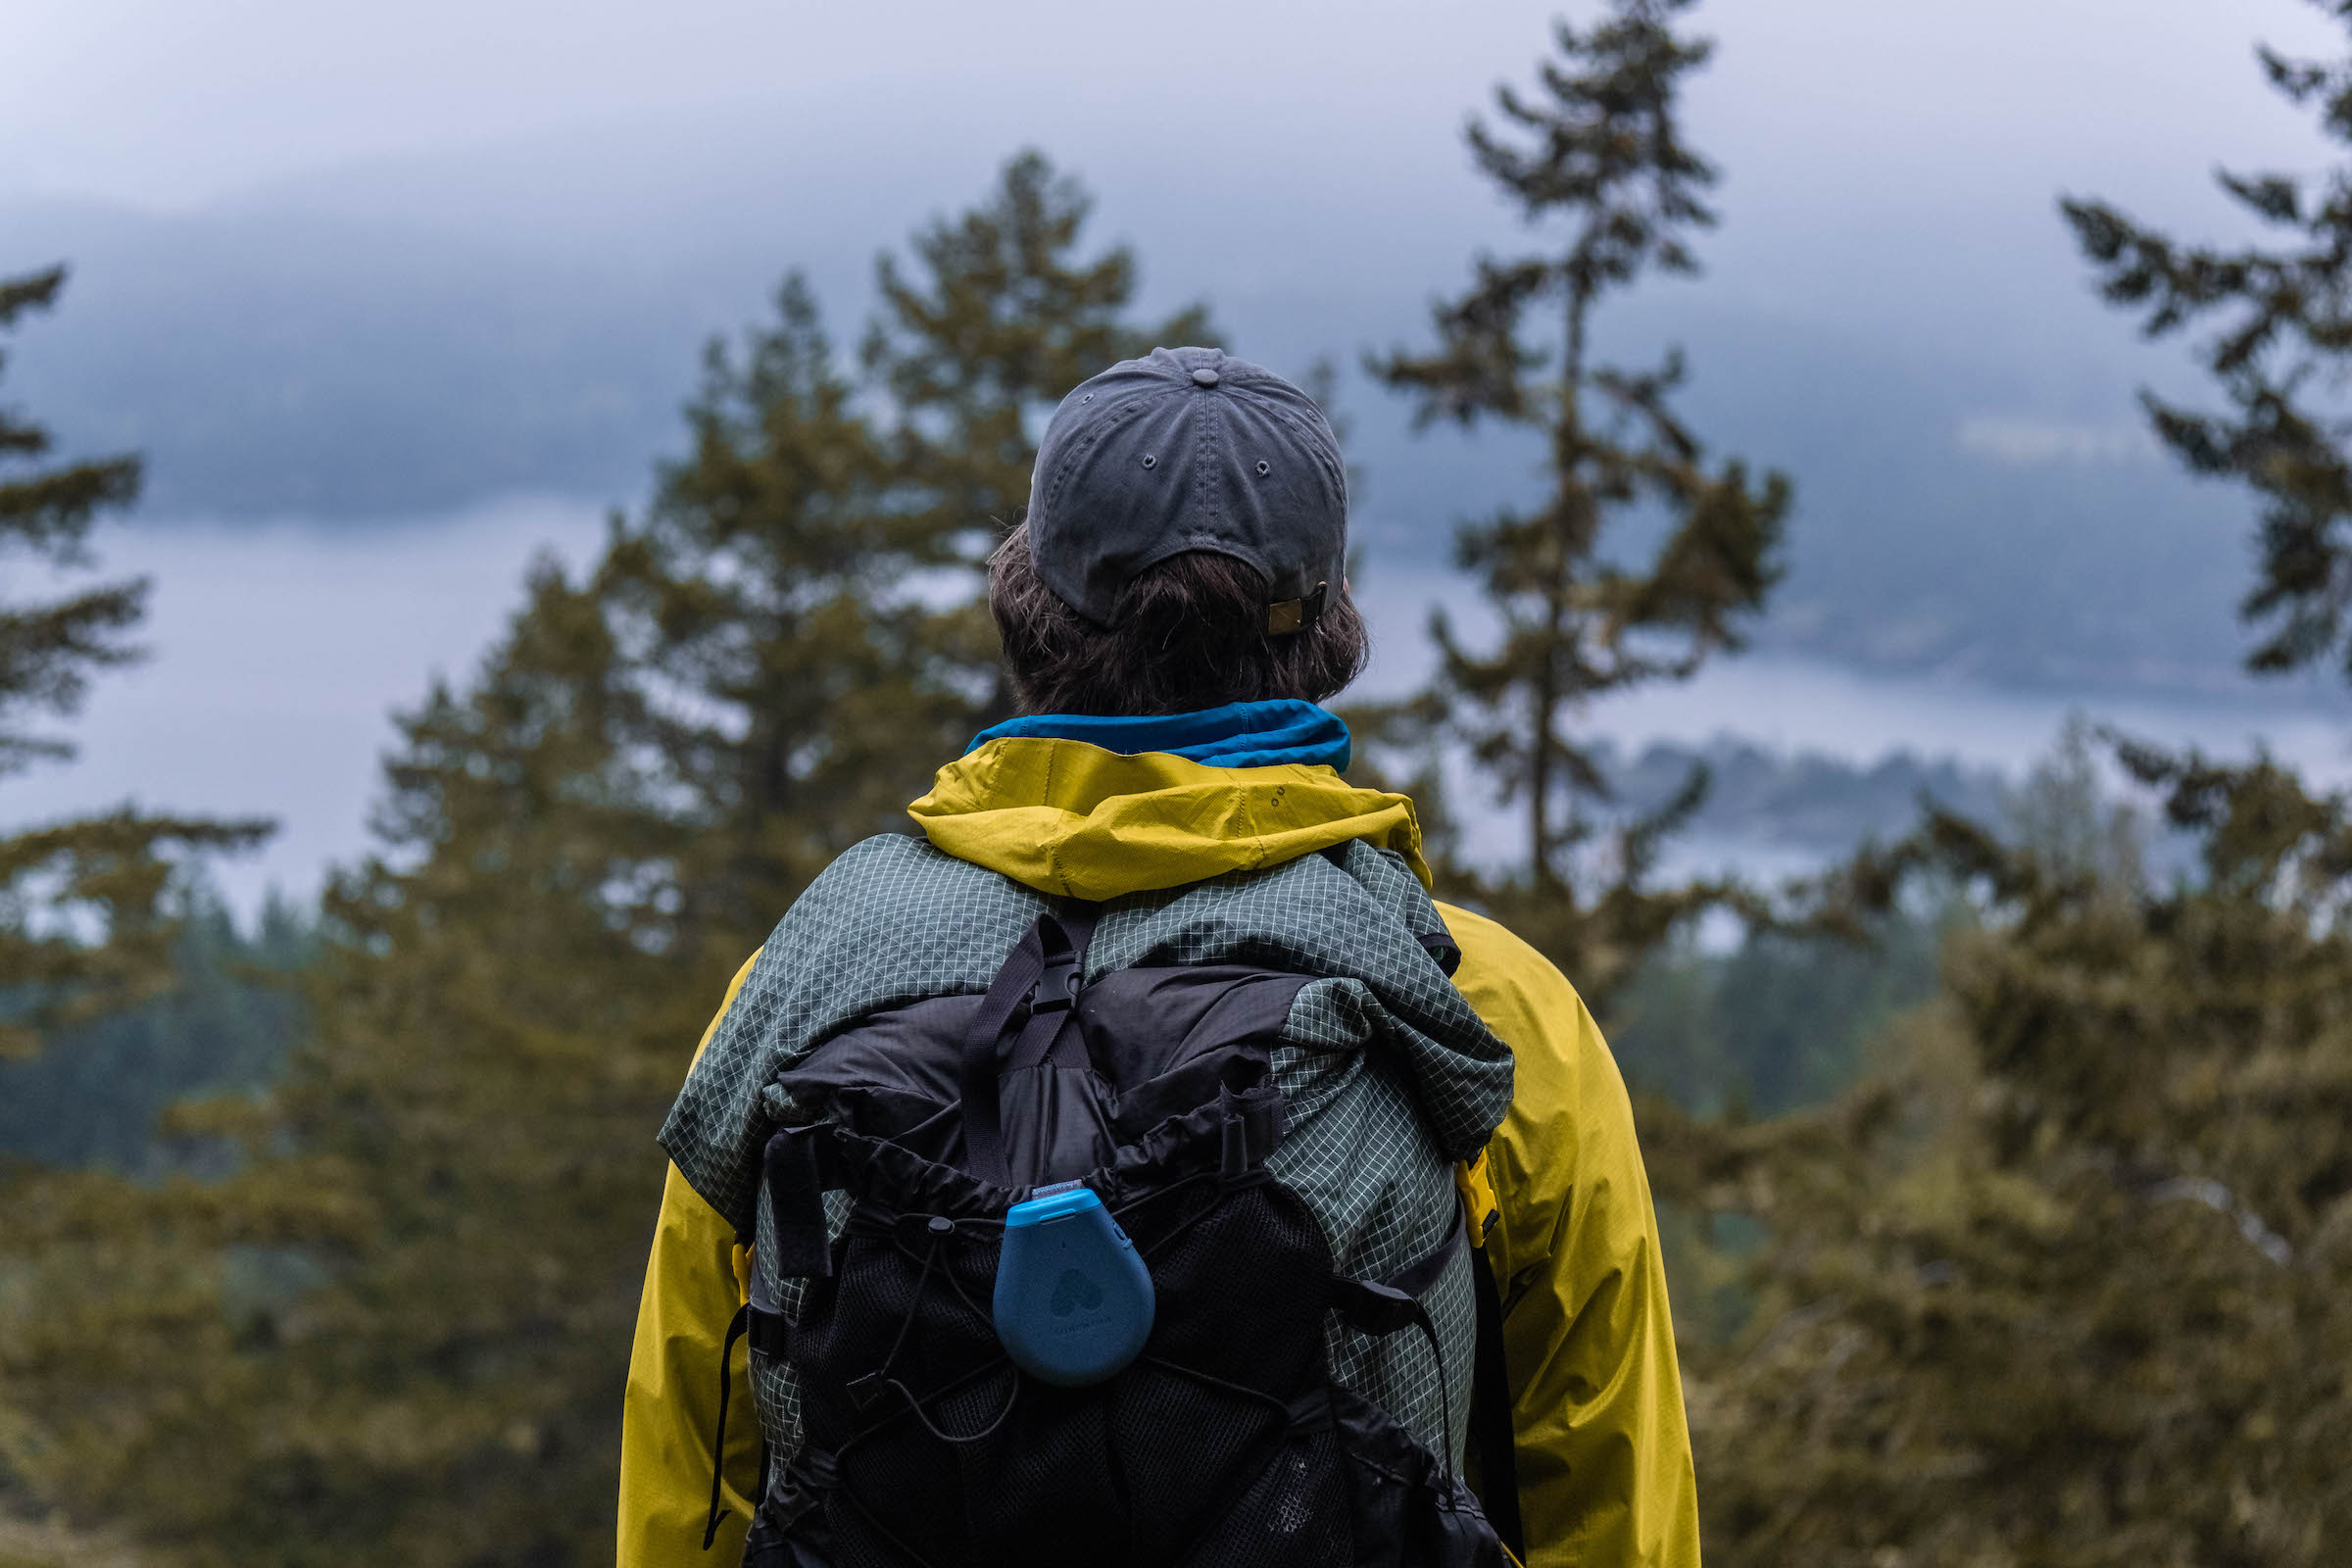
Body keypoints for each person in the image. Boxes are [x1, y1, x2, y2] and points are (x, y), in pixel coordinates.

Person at [616, 347, 1699, 1567]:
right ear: (1330, 638)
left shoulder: (804, 982)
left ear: (1025, 614)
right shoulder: (1479, 1007)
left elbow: (695, 1481)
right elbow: (1610, 1496)